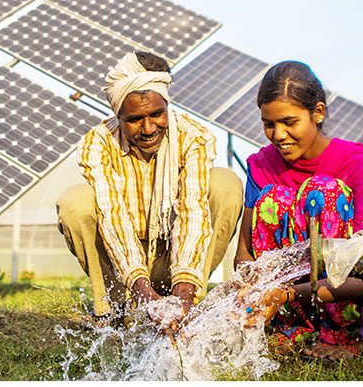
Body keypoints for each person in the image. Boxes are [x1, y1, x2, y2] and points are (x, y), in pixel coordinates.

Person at [234, 60, 363, 360]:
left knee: (322, 194)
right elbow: (245, 253)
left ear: (317, 113)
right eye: (269, 124)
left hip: (355, 296)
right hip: (284, 301)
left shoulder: (359, 165)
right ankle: (287, 327)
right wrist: (252, 290)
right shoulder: (261, 165)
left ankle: (342, 333)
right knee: (274, 200)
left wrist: (287, 293)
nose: (278, 135)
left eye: (289, 122)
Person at [56, 51, 243, 327]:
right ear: (117, 115)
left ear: (167, 105)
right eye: (134, 119)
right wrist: (142, 292)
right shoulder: (99, 143)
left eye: (157, 114)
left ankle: (189, 307)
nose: (148, 127)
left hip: (174, 253)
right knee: (75, 202)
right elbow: (113, 218)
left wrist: (183, 291)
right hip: (122, 261)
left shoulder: (194, 138)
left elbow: (193, 213)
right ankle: (114, 311)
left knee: (225, 184)